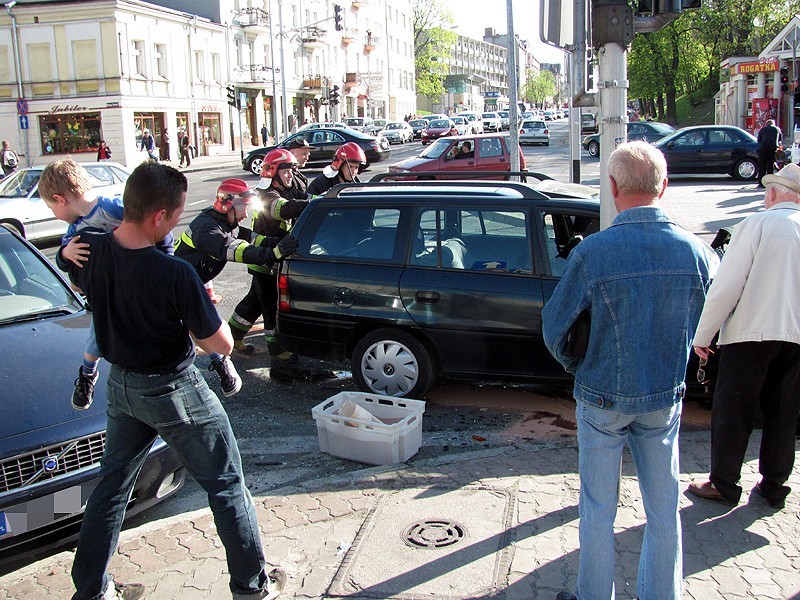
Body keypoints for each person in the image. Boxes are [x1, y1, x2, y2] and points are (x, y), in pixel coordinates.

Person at [64, 161, 286, 600]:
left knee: (110, 488)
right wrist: (200, 308)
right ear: (159, 217)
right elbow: (219, 343)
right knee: (225, 486)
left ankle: (90, 590)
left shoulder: (89, 248)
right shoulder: (175, 274)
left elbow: (75, 264)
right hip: (174, 390)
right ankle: (252, 586)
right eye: (178, 212)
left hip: (122, 387)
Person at [542, 141, 718, 600]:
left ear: (613, 187)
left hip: (602, 397)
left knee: (598, 509)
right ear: (665, 187)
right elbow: (710, 325)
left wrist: (580, 365)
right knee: (664, 511)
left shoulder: (594, 253)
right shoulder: (697, 253)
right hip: (664, 398)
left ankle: (594, 595)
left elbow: (554, 328)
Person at [687, 163, 800, 511]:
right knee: (783, 414)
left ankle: (724, 483)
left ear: (773, 194)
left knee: (733, 410)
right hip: (796, 338)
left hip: (749, 335)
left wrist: (703, 335)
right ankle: (773, 487)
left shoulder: (757, 225)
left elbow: (726, 286)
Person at [38, 158, 175, 411]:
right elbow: (66, 262)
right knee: (99, 332)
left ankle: (217, 358)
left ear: (60, 199)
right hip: (110, 293)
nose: (54, 215)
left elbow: (157, 225)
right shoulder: (73, 230)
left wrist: (167, 261)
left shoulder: (113, 209)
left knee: (177, 317)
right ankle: (88, 374)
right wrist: (65, 254)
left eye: (51, 208)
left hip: (141, 281)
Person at [174, 177, 298, 380]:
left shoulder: (225, 222)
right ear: (227, 205)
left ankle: (207, 360)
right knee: (200, 334)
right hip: (179, 288)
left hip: (192, 282)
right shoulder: (208, 229)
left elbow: (252, 238)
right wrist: (273, 254)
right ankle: (192, 370)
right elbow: (236, 250)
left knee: (198, 332)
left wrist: (279, 242)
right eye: (242, 208)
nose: (245, 214)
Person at [228, 149, 312, 379]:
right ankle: (278, 351)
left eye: (292, 170)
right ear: (273, 172)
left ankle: (233, 335)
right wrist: (312, 203)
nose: (290, 175)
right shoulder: (266, 194)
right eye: (286, 171)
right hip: (265, 258)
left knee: (254, 301)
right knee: (270, 306)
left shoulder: (287, 187)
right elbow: (283, 209)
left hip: (273, 254)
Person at [757, 118, 782, 187]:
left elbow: (759, 140)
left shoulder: (762, 129)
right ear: (773, 124)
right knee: (770, 166)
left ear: (766, 124)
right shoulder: (777, 129)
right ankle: (770, 183)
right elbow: (780, 140)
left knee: (762, 166)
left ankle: (761, 183)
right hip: (773, 149)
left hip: (763, 149)